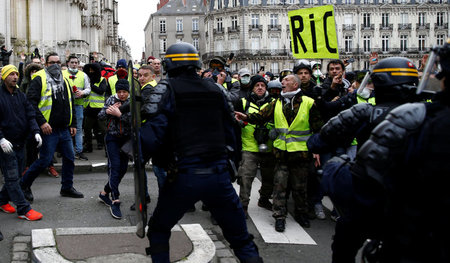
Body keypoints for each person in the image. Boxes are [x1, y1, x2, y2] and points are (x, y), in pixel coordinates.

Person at [141, 42, 262, 263]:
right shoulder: (216, 89)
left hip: (183, 175)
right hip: (218, 174)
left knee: (158, 229)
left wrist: (139, 154)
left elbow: (152, 136)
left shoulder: (166, 89)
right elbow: (232, 130)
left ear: (169, 64)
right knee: (241, 239)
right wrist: (229, 167)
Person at [307, 57, 421, 263]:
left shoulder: (364, 112)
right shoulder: (428, 113)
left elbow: (318, 142)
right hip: (415, 202)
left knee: (344, 241)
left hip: (371, 196)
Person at [351, 41, 450, 262]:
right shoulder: (427, 113)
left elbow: (368, 169)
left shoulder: (425, 117)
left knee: (347, 233)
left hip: (416, 230)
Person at [235, 74, 324, 231]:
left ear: (295, 85)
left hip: (301, 154)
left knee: (299, 187)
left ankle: (301, 213)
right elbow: (261, 117)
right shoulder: (276, 103)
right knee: (279, 185)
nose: (283, 82)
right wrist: (246, 116)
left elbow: (318, 128)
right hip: (281, 154)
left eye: (287, 80)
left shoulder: (309, 103)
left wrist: (316, 150)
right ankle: (279, 216)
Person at [21, 52, 84, 202]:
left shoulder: (64, 79)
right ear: (46, 64)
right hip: (48, 129)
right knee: (44, 161)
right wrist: (42, 122)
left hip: (64, 128)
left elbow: (70, 103)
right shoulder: (39, 78)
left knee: (69, 158)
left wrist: (73, 123)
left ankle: (67, 187)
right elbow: (31, 104)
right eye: (51, 63)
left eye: (57, 62)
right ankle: (23, 186)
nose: (55, 65)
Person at [0, 65, 43, 221]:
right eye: (11, 74)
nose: (14, 77)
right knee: (11, 178)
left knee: (17, 176)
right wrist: (1, 139)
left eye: (16, 74)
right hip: (6, 145)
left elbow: (30, 114)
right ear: (4, 77)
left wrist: (36, 131)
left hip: (20, 142)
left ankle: (2, 200)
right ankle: (23, 209)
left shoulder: (20, 95)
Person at [234, 75, 275, 218]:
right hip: (249, 146)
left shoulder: (274, 103)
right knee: (246, 177)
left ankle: (264, 199)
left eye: (263, 86)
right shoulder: (243, 102)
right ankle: (243, 205)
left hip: (268, 147)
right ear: (252, 88)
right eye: (257, 85)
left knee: (269, 177)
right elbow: (236, 121)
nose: (260, 88)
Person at [97, 79, 131, 219]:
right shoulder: (111, 99)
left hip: (127, 139)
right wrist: (109, 111)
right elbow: (100, 116)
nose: (121, 94)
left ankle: (104, 193)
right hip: (112, 138)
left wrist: (120, 114)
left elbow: (134, 120)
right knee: (115, 167)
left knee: (123, 169)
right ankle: (115, 199)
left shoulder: (132, 102)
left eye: (124, 92)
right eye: (119, 92)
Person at [62, 54, 91, 160]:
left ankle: (79, 151)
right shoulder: (62, 74)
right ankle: (65, 150)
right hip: (65, 106)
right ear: (68, 63)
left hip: (78, 105)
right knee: (65, 128)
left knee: (78, 129)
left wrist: (82, 92)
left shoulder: (83, 75)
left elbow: (88, 88)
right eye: (72, 62)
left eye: (76, 63)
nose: (74, 65)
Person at [83, 63, 107, 153]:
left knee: (103, 129)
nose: (91, 72)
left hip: (99, 108)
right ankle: (88, 146)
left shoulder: (102, 79)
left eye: (92, 70)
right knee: (87, 128)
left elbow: (101, 91)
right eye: (89, 70)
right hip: (89, 108)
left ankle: (106, 148)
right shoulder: (86, 80)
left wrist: (90, 86)